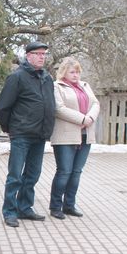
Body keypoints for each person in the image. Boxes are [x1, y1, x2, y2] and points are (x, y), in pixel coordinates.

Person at [0, 41, 56, 228]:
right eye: (38, 53)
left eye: (44, 54)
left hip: (40, 134)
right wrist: (9, 128)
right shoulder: (17, 77)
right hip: (21, 134)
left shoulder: (47, 78)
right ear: (28, 56)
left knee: (32, 174)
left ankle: (24, 207)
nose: (41, 57)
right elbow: (3, 106)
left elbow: (50, 105)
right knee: (15, 175)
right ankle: (10, 211)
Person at [48, 57, 100, 219]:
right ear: (64, 72)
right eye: (72, 72)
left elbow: (95, 103)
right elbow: (58, 109)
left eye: (77, 72)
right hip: (65, 136)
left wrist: (90, 118)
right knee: (64, 172)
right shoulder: (57, 87)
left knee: (76, 172)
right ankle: (55, 206)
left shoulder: (85, 86)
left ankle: (69, 205)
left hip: (85, 135)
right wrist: (82, 119)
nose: (76, 75)